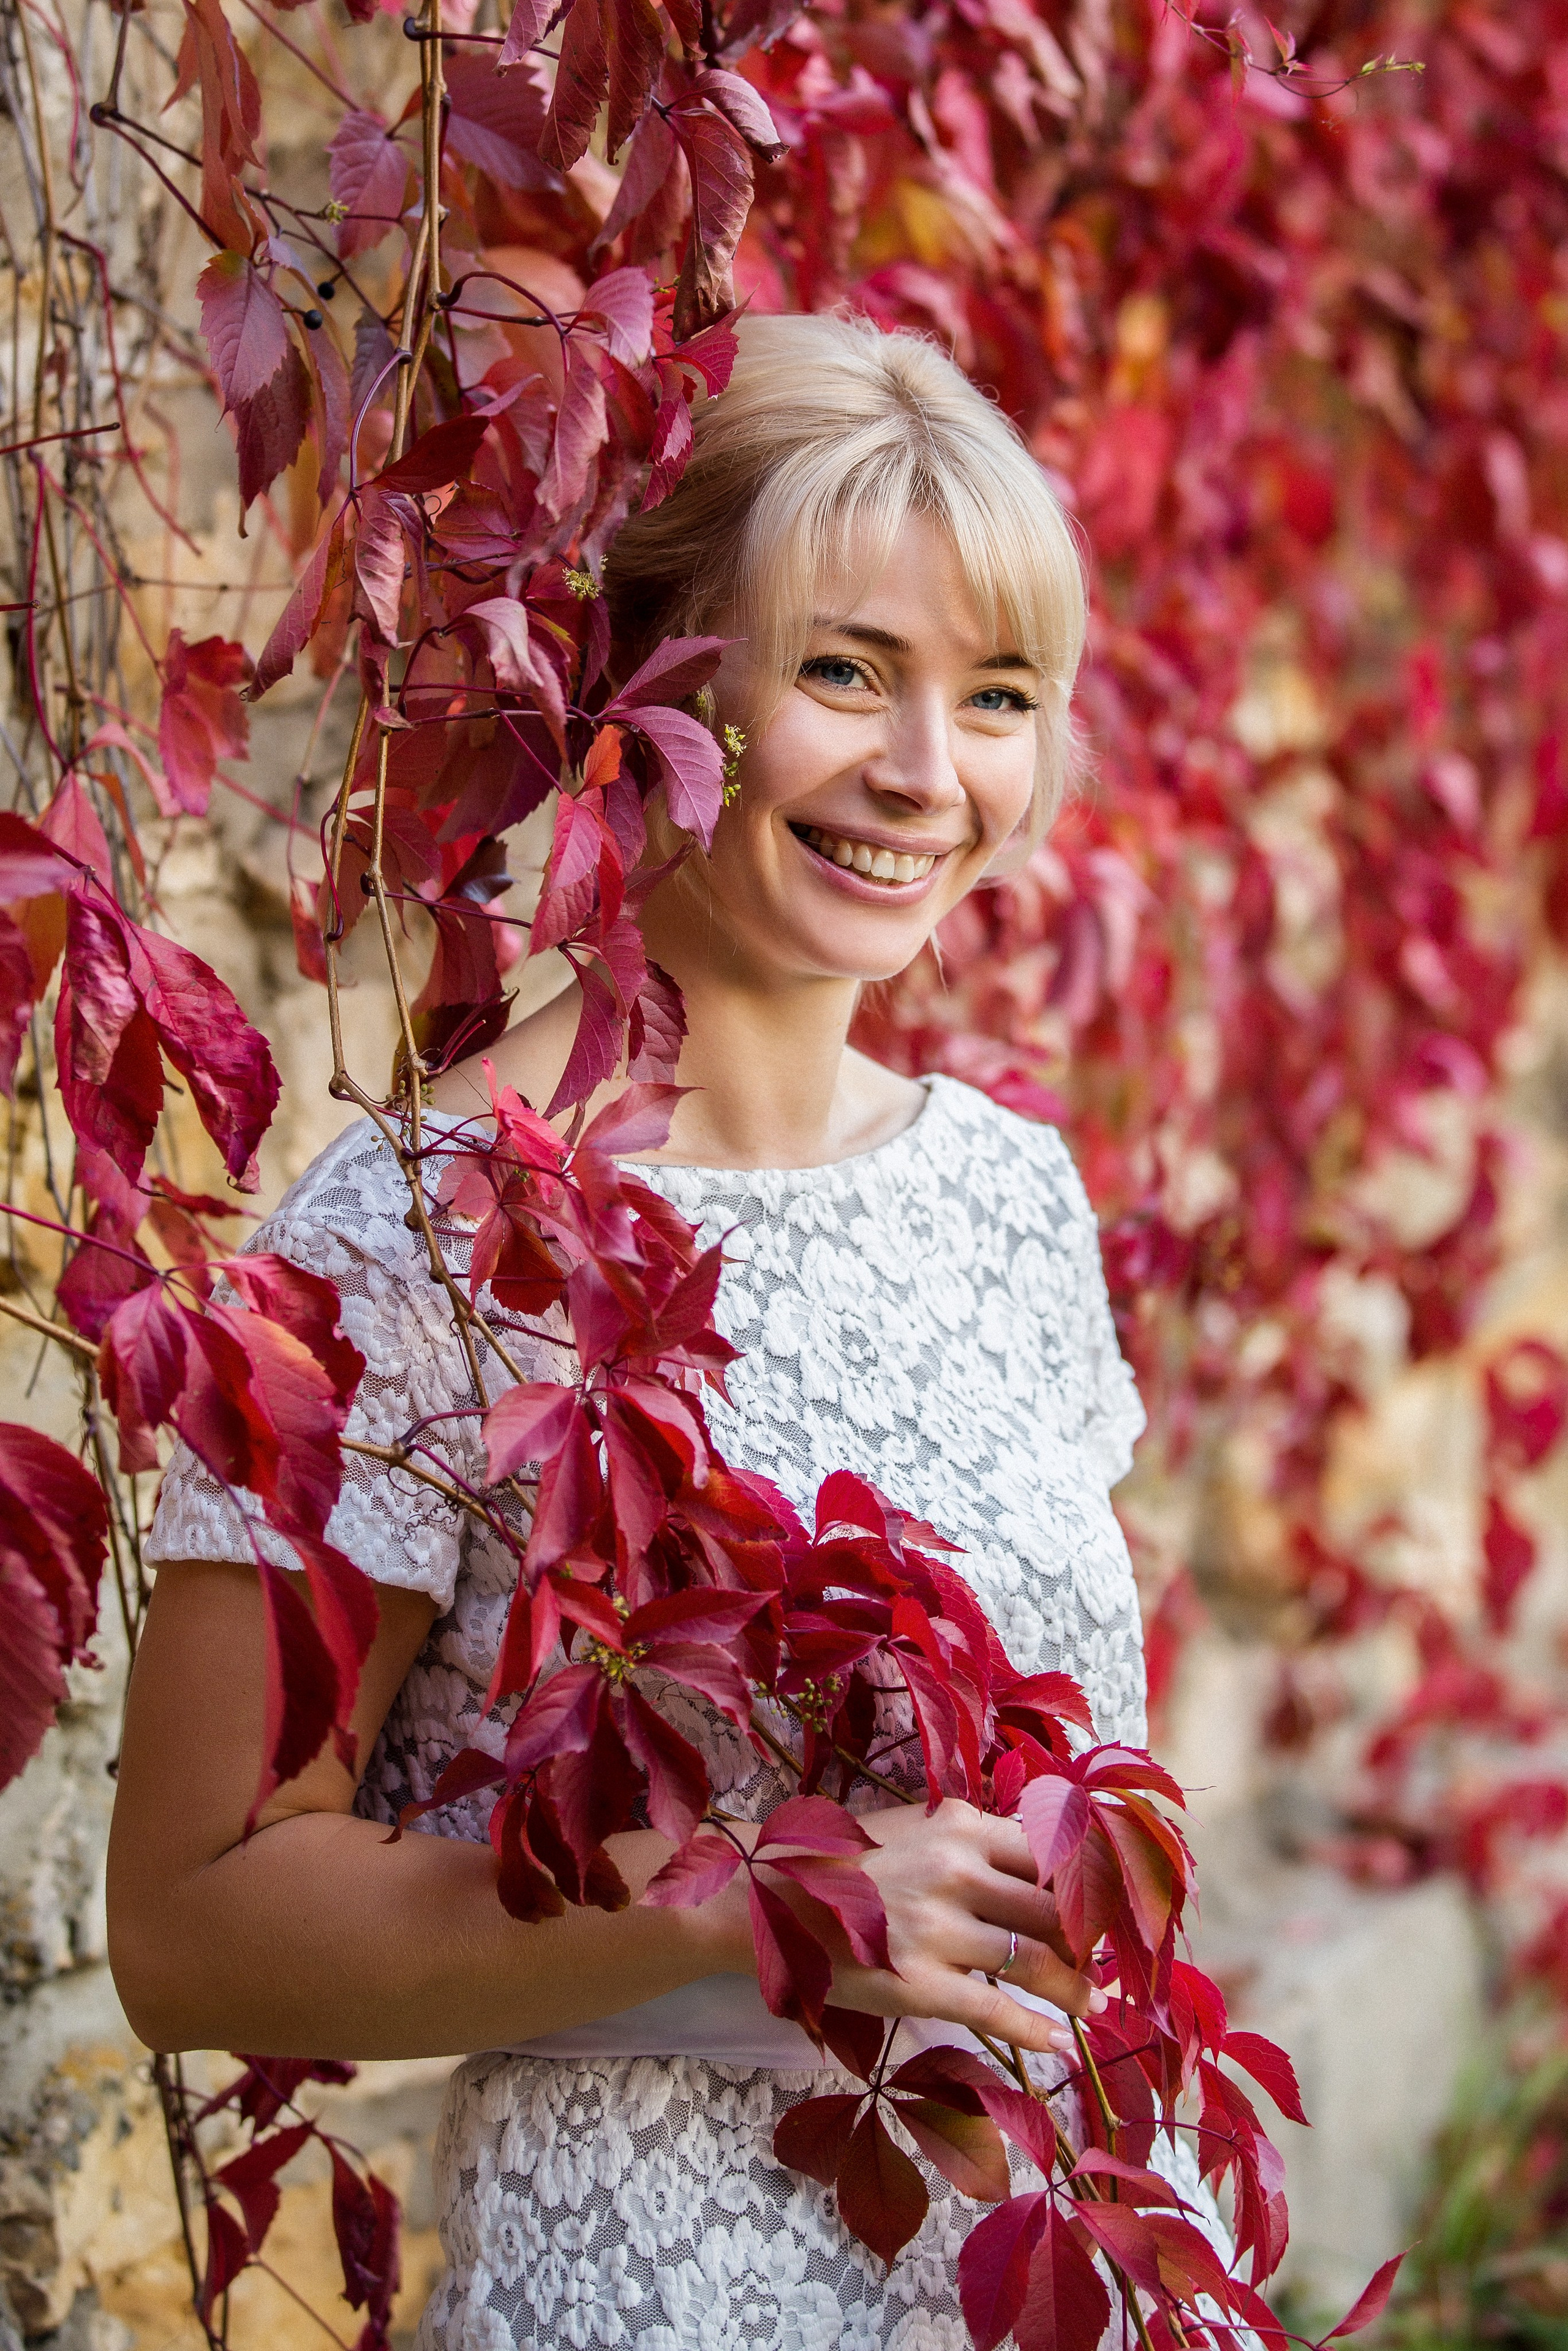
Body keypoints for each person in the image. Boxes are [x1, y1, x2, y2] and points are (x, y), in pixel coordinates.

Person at [107, 314, 1166, 2350]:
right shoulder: (421, 1231)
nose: (928, 777)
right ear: (655, 683)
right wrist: (762, 1888)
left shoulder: (1012, 1195)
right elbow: (187, 1926)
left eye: (999, 694)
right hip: (660, 2288)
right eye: (846, 671)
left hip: (1043, 2266)